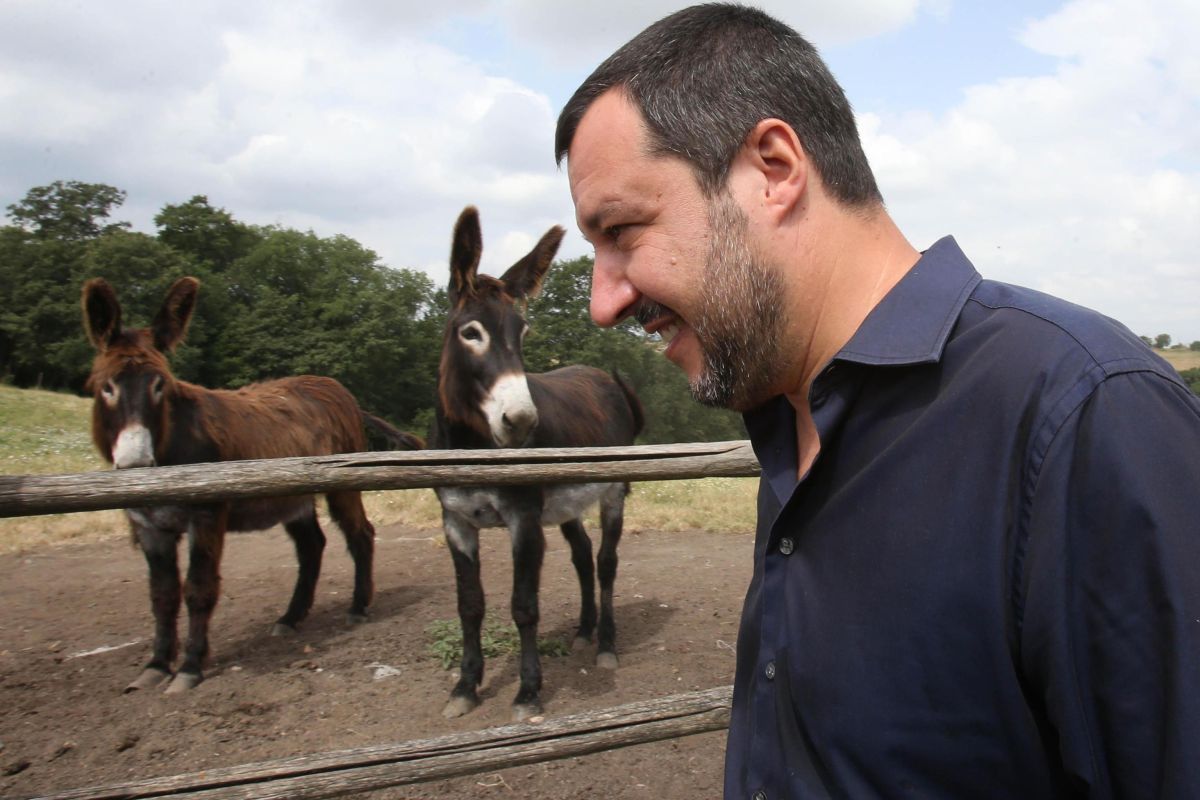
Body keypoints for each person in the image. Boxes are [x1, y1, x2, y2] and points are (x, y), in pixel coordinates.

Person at [554, 4, 1200, 798]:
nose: (602, 301)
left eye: (621, 229)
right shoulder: (789, 420)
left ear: (774, 169)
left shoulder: (1083, 414)